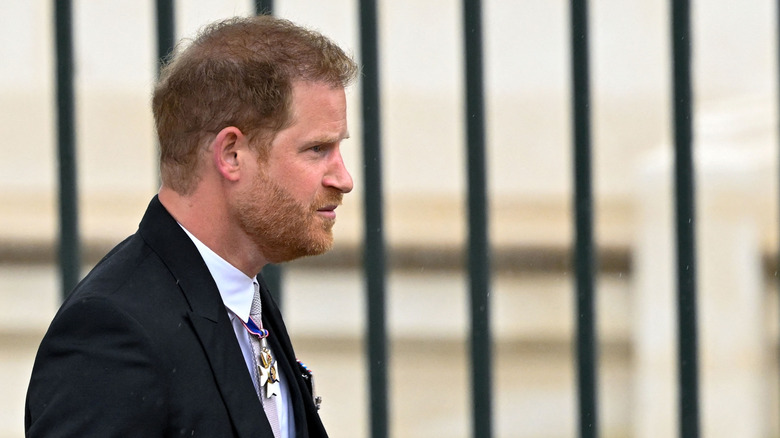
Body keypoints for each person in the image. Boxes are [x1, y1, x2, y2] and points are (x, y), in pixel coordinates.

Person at [25, 15, 358, 438]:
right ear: (232, 154)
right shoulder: (113, 333)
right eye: (317, 149)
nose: (343, 178)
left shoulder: (242, 295)